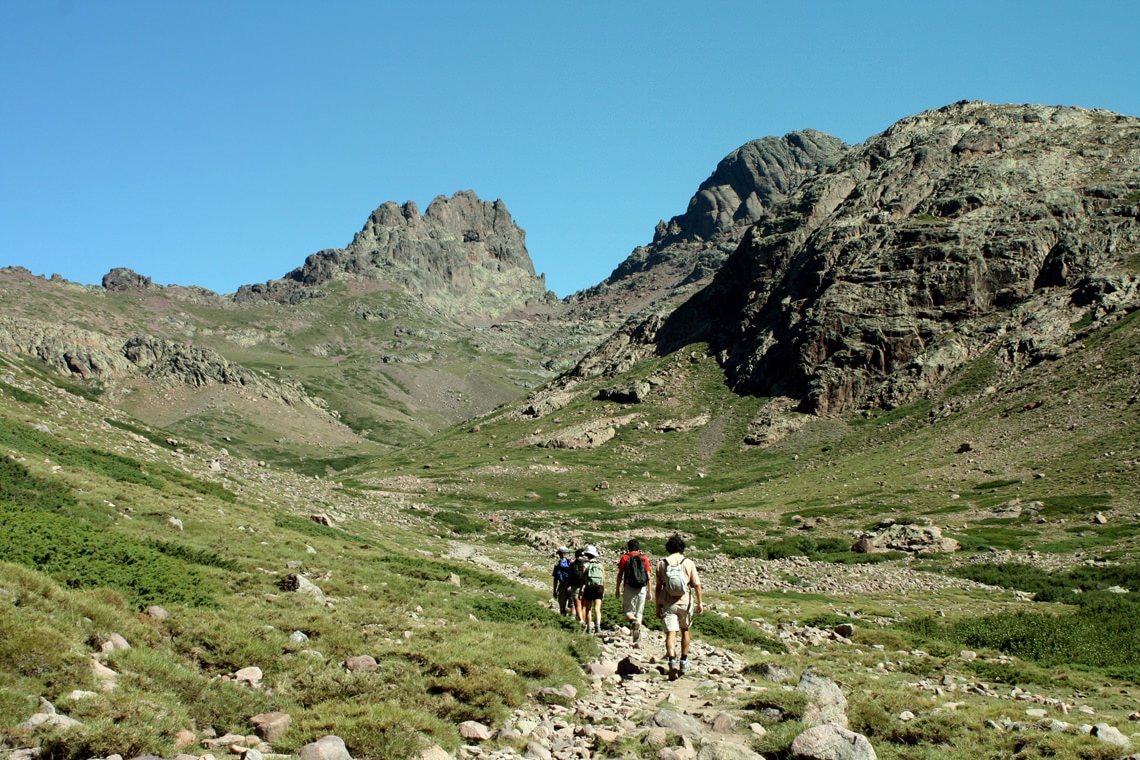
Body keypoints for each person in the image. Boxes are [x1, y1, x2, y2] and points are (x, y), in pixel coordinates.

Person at [655, 534, 704, 679]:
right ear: (682, 548)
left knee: (671, 633)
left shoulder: (662, 563)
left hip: (668, 603)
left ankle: (671, 662)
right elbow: (697, 585)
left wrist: (658, 606)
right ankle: (684, 661)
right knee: (685, 630)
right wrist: (700, 603)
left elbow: (658, 588)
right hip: (685, 602)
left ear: (668, 548)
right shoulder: (688, 563)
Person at [615, 539, 652, 645]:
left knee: (628, 611)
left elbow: (620, 575)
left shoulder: (625, 557)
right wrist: (649, 591)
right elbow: (648, 576)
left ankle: (633, 622)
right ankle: (637, 637)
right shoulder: (644, 558)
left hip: (629, 587)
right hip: (641, 588)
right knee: (639, 613)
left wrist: (617, 588)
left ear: (629, 547)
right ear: (638, 547)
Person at [580, 544, 605, 634]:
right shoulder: (601, 565)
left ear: (587, 554)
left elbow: (583, 579)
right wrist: (603, 590)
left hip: (588, 588)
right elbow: (603, 579)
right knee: (597, 608)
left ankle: (589, 627)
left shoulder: (585, 565)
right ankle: (598, 627)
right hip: (599, 588)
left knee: (588, 609)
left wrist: (580, 590)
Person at [552, 546, 574, 615]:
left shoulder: (557, 565)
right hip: (571, 587)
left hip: (562, 587)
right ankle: (572, 621)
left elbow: (555, 579)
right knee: (572, 606)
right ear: (566, 554)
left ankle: (562, 619)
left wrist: (555, 591)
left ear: (561, 554)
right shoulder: (572, 563)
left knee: (562, 607)